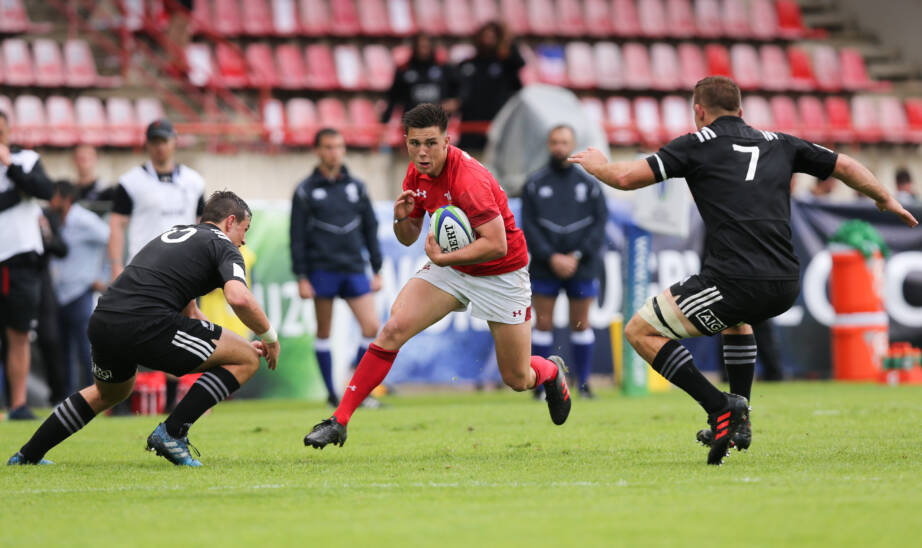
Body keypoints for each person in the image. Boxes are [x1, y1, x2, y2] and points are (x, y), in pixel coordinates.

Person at [568, 76, 918, 465]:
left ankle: (719, 407)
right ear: (741, 109)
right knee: (737, 320)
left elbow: (626, 177)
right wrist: (884, 197)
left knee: (640, 330)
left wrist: (597, 164)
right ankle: (741, 421)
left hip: (734, 279)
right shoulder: (780, 142)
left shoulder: (696, 144)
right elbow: (845, 165)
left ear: (698, 111)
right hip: (785, 281)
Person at [303, 103, 572, 449]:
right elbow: (408, 235)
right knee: (393, 328)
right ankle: (338, 421)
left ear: (447, 140)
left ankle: (550, 372)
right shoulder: (416, 174)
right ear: (406, 141)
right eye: (414, 143)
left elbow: (497, 245)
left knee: (518, 378)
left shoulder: (469, 180)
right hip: (454, 267)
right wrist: (403, 219)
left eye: (431, 142)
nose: (422, 152)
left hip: (501, 273)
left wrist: (444, 258)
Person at [8, 191, 280, 466]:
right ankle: (172, 434)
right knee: (246, 360)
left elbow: (192, 314)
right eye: (244, 230)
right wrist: (269, 337)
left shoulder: (178, 235)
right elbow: (239, 297)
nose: (244, 240)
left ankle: (27, 456)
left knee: (109, 393)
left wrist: (232, 346)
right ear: (230, 221)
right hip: (146, 322)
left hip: (105, 319)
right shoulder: (223, 245)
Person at [108, 118, 205, 409]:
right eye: (155, 141)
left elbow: (203, 226)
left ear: (174, 142)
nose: (160, 147)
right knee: (132, 338)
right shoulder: (130, 183)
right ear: (147, 144)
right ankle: (123, 402)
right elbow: (116, 225)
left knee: (180, 338)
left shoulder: (194, 181)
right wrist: (115, 266)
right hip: (143, 273)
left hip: (184, 274)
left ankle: (173, 404)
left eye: (165, 141)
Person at [290, 128, 383, 407]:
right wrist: (302, 276)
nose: (334, 152)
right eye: (328, 147)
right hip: (322, 269)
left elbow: (370, 228)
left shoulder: (357, 186)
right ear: (318, 151)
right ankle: (332, 395)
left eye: (339, 146)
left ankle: (356, 386)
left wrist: (376, 268)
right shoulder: (305, 190)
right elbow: (297, 237)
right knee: (324, 331)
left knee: (372, 326)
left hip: (354, 267)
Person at [521, 125, 607, 398]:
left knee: (581, 323)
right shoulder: (534, 183)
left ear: (573, 145)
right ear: (548, 144)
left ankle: (583, 383)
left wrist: (576, 256)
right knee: (543, 323)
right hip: (546, 266)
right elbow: (528, 227)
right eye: (554, 141)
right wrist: (551, 256)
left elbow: (599, 225)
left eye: (564, 142)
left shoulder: (589, 184)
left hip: (581, 265)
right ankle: (541, 386)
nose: (559, 147)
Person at [0, 110, 54, 420]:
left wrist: (11, 167)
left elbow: (45, 190)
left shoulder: (26, 160)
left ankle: (18, 404)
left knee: (19, 333)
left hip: (20, 259)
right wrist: (16, 195)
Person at [47, 181, 110, 392]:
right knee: (62, 351)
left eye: (54, 196)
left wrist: (102, 275)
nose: (49, 201)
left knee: (85, 351)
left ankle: (93, 395)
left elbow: (111, 238)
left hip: (81, 292)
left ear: (66, 199)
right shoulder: (56, 221)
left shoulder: (84, 219)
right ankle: (67, 399)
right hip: (60, 293)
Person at [456, 21, 525, 150]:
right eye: (485, 36)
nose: (487, 40)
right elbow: (457, 91)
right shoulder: (466, 65)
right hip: (471, 123)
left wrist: (507, 39)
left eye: (492, 37)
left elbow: (519, 63)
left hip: (497, 122)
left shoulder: (505, 64)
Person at [380, 34, 458, 125]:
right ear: (414, 47)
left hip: (437, 123)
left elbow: (459, 88)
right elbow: (393, 98)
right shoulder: (404, 70)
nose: (423, 50)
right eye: (420, 46)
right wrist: (385, 121)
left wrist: (455, 101)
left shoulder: (444, 68)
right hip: (412, 123)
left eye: (426, 46)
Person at [72, 144, 115, 214]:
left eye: (88, 158)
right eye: (81, 158)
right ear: (74, 160)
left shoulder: (106, 190)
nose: (84, 163)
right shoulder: (69, 192)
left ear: (96, 159)